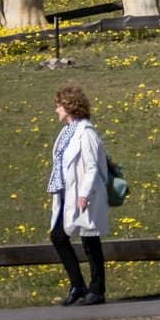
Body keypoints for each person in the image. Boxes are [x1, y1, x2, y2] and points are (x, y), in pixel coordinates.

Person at [47, 83, 109, 306]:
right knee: (58, 236)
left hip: (84, 193)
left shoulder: (87, 133)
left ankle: (97, 289)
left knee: (90, 239)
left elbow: (92, 166)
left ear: (69, 106)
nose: (56, 110)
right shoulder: (66, 132)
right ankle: (78, 284)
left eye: (58, 105)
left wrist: (84, 193)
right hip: (67, 192)